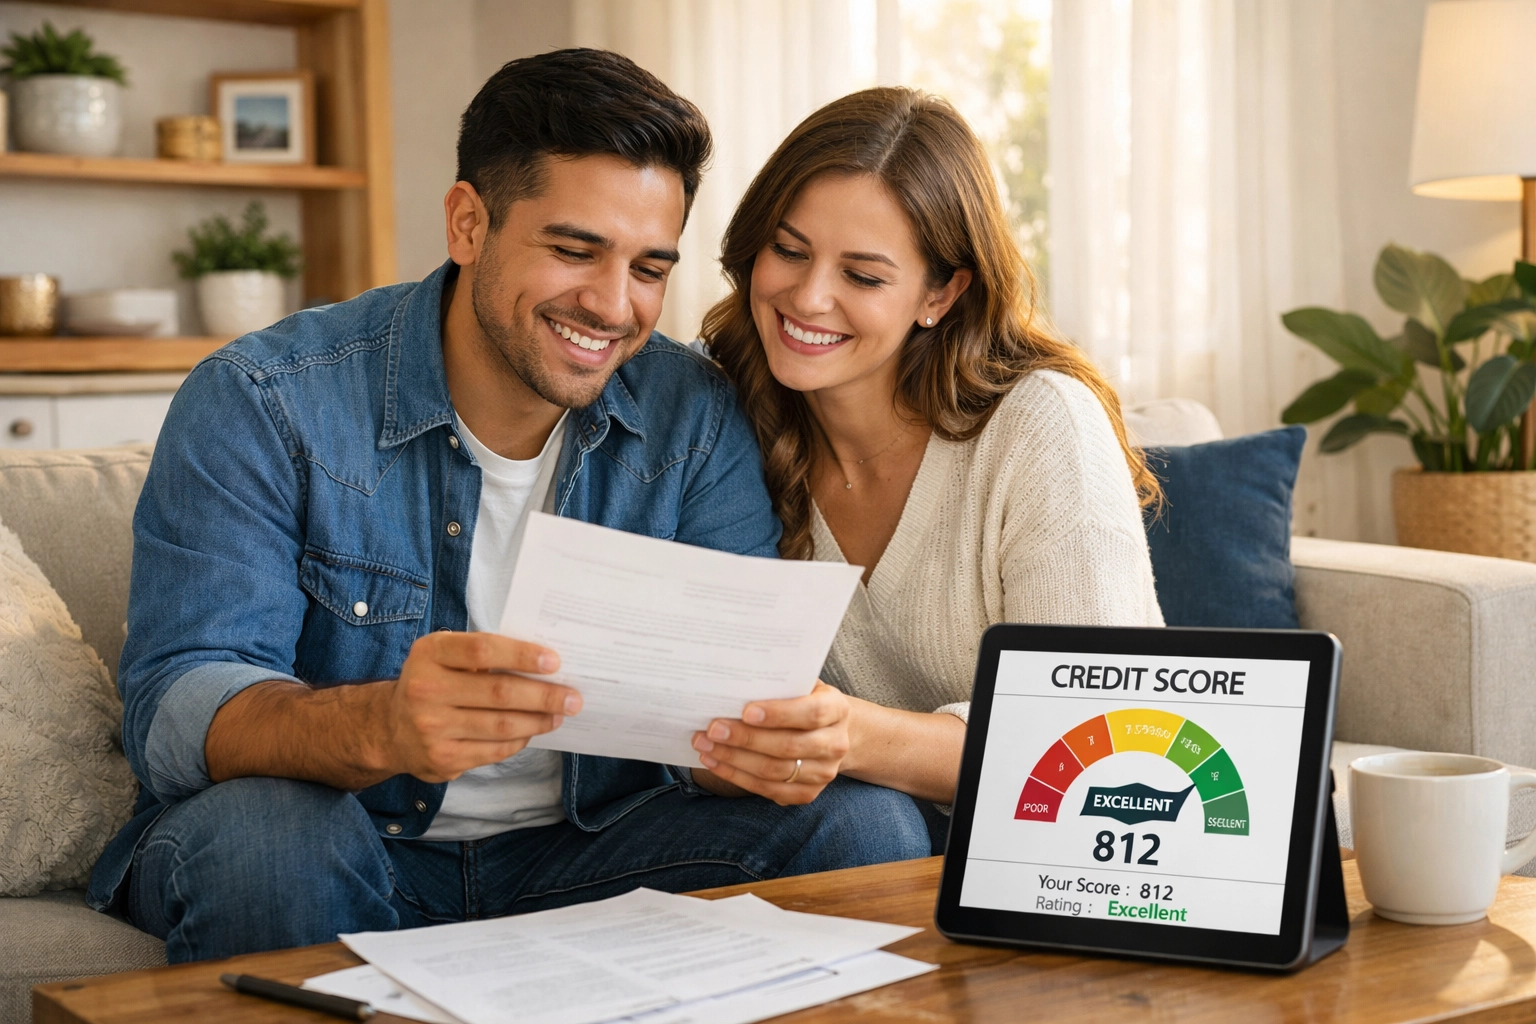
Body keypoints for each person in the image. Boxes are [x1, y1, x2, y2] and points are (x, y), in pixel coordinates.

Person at [88, 51, 929, 964]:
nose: (613, 306)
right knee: (264, 840)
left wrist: (751, 750)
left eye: (649, 267)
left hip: (586, 851)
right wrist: (382, 724)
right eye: (574, 250)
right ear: (467, 224)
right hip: (352, 838)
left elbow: (715, 721)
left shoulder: (692, 415)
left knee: (867, 827)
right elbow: (174, 709)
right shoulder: (265, 399)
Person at [692, 88, 1164, 846]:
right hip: (856, 848)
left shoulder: (1041, 425)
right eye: (788, 250)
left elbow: (1093, 736)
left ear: (940, 293)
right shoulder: (726, 415)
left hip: (1074, 849)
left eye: (864, 276)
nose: (808, 297)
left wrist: (853, 735)